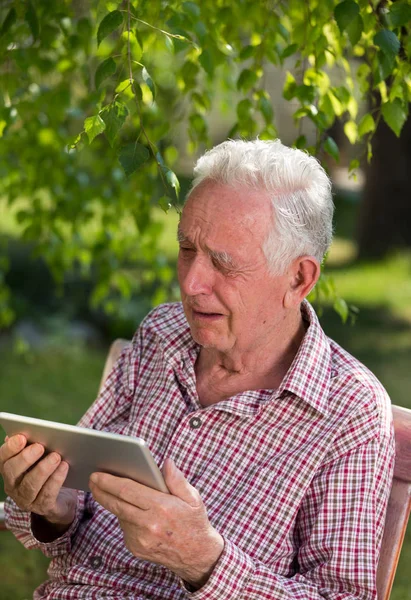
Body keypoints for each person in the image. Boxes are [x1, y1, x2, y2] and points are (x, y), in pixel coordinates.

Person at [1, 139, 394, 599]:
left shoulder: (349, 411)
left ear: (298, 278)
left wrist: (203, 559)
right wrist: (53, 504)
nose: (191, 282)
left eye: (224, 263)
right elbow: (75, 497)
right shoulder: (163, 333)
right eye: (187, 248)